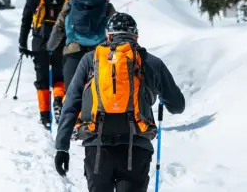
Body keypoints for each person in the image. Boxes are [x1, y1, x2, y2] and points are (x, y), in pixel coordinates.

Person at [54, 13, 185, 192]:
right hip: (136, 147)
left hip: (97, 148)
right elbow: (178, 106)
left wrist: (62, 147)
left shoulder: (90, 60)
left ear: (108, 35)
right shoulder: (152, 62)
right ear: (135, 36)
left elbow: (71, 103)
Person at [47, 0, 115, 91]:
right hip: (99, 55)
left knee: (72, 97)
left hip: (73, 53)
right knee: (99, 95)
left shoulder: (70, 4)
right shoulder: (106, 5)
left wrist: (50, 47)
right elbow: (115, 30)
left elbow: (59, 28)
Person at [19, 0, 69, 127]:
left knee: (42, 80)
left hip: (39, 41)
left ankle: (45, 116)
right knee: (59, 76)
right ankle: (58, 100)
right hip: (61, 41)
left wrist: (22, 43)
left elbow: (26, 21)